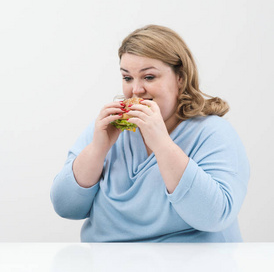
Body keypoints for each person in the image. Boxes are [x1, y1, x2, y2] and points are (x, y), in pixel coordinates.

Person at [50, 25, 250, 242]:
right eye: (127, 78)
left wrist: (163, 145)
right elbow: (65, 207)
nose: (136, 90)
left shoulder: (213, 133)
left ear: (180, 78)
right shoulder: (106, 129)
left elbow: (216, 216)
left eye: (149, 77)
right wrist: (98, 149)